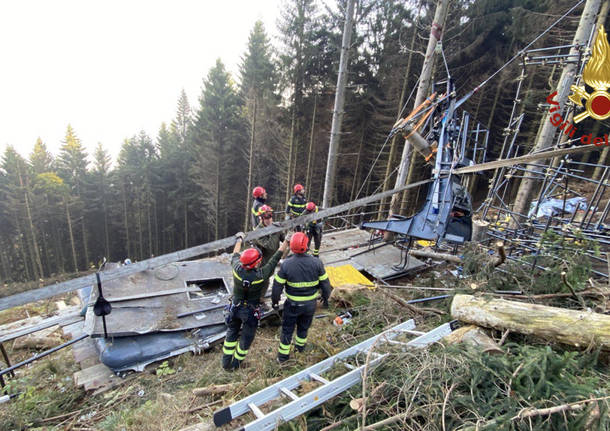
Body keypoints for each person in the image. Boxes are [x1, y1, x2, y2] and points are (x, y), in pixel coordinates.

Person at [221, 231, 289, 370]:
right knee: (246, 339)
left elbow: (234, 254)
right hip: (250, 312)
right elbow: (275, 259)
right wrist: (287, 241)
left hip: (235, 308)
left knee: (231, 334)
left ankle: (226, 363)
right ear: (257, 263)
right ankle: (236, 365)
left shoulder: (237, 269)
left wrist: (239, 239)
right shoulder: (260, 276)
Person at [272, 232, 331, 363]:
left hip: (292, 305)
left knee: (287, 330)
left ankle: (282, 358)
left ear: (292, 246)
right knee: (304, 328)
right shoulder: (317, 263)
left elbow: (277, 286)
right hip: (310, 305)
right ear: (307, 245)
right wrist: (326, 298)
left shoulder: (286, 264)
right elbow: (326, 284)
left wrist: (275, 302)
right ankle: (300, 349)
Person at [250, 205, 289, 305]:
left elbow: (283, 238)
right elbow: (270, 246)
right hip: (262, 260)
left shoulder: (275, 226)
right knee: (263, 279)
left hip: (273, 257)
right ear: (261, 218)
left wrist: (289, 235)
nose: (269, 219)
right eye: (266, 217)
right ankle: (258, 297)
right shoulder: (258, 232)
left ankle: (260, 296)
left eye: (270, 216)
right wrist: (273, 230)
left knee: (267, 278)